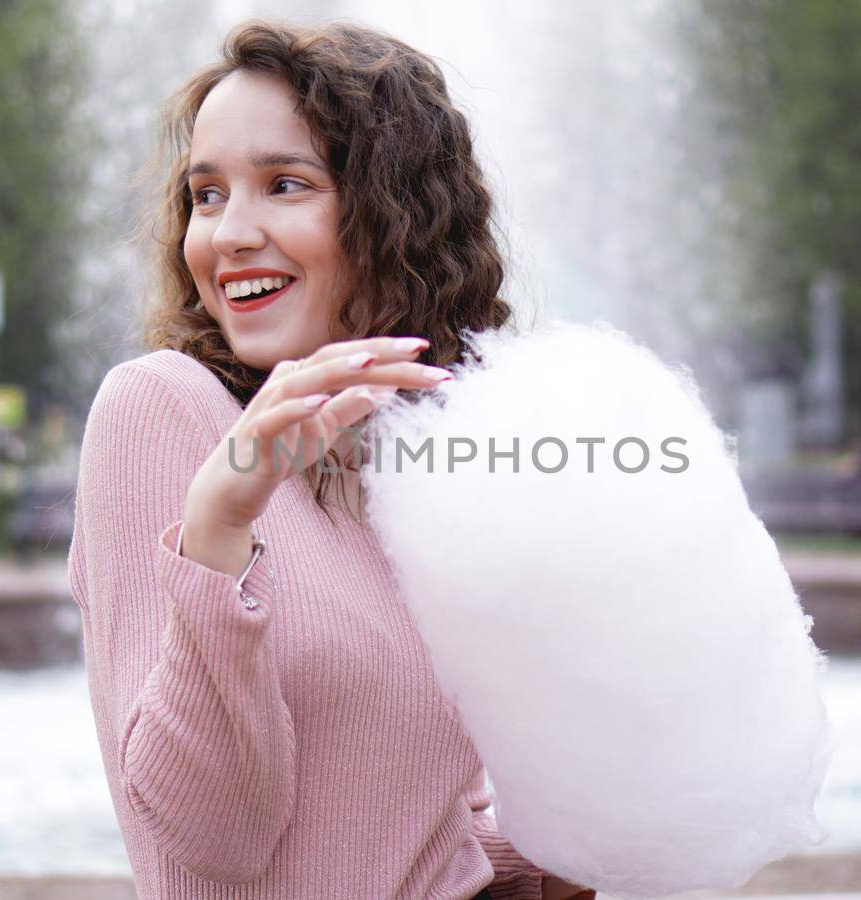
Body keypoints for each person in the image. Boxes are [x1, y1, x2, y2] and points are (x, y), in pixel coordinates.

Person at [68, 19, 592, 900]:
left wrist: (558, 861)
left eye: (284, 185)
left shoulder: (409, 466)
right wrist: (218, 526)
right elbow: (212, 844)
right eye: (206, 195)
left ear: (395, 215)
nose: (229, 234)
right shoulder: (161, 410)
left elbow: (411, 826)